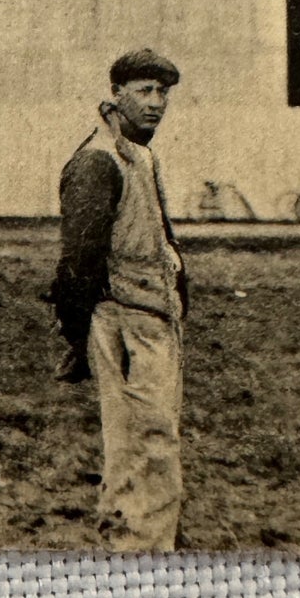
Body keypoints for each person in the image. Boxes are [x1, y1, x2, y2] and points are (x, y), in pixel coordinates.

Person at [49, 48, 187, 553]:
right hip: (125, 323)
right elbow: (78, 263)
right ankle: (138, 551)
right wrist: (78, 334)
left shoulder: (138, 155)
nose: (156, 103)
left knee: (153, 441)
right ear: (117, 94)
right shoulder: (97, 161)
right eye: (144, 91)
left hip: (152, 321)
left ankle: (148, 539)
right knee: (141, 442)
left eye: (163, 93)